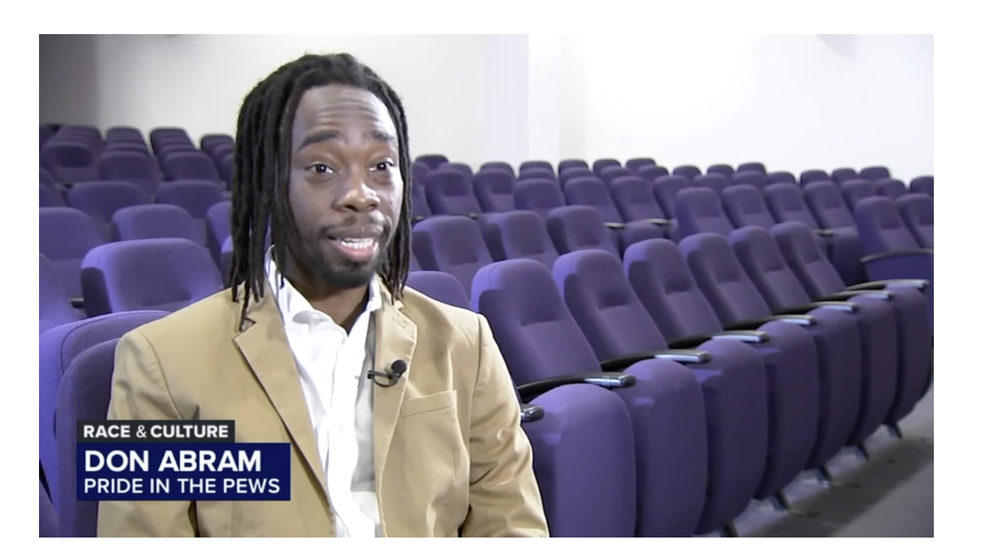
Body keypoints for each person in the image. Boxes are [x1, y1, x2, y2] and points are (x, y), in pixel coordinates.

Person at [96, 53, 549, 537]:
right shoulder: (160, 362)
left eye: (381, 165)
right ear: (271, 182)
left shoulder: (467, 343)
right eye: (321, 167)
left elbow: (512, 528)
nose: (361, 193)